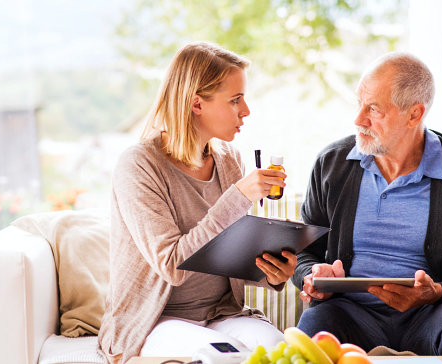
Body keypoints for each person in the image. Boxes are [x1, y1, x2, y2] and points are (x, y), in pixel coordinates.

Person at [291, 52, 442, 364]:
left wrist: (437, 291)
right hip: (351, 313)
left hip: (433, 313)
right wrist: (312, 277)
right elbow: (305, 254)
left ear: (414, 114)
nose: (359, 119)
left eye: (374, 109)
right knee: (313, 327)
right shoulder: (332, 164)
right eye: (359, 103)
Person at [99, 42, 295, 364]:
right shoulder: (139, 165)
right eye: (235, 100)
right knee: (227, 357)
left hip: (223, 312)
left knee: (279, 350)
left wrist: (271, 272)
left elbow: (227, 257)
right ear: (196, 104)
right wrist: (239, 197)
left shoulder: (229, 160)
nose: (245, 111)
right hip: (155, 321)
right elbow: (173, 266)